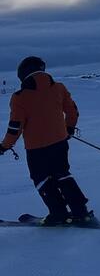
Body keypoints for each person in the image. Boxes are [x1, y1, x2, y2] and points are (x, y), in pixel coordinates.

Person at [0, 56, 93, 226]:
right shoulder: (58, 88)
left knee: (41, 179)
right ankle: (80, 211)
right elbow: (73, 111)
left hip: (36, 149)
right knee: (62, 174)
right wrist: (69, 128)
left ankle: (58, 213)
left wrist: (4, 146)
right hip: (60, 142)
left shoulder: (20, 97)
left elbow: (15, 127)